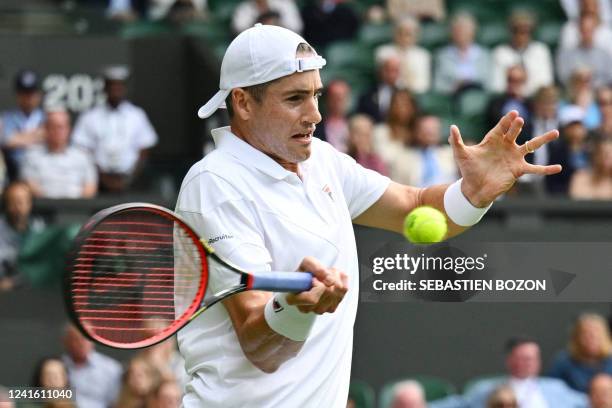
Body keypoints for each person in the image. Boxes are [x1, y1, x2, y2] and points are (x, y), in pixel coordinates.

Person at [177, 23, 561, 407]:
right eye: (294, 98)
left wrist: (472, 192)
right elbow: (260, 345)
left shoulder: (321, 160)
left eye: (316, 95)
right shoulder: (215, 184)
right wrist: (295, 308)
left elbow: (412, 206)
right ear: (243, 103)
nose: (314, 115)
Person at [432, 336, 588, 408]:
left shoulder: (555, 387)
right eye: (523, 358)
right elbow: (459, 404)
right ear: (509, 360)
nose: (528, 363)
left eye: (532, 358)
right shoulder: (487, 388)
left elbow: (588, 402)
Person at [72, 65, 158, 193]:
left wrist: (130, 177)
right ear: (105, 88)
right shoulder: (90, 116)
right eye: (112, 86)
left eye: (119, 86)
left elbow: (145, 148)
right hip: (98, 182)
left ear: (124, 88)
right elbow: (82, 149)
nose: (115, 90)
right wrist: (101, 177)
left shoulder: (137, 115)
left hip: (130, 181)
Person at [21, 109, 97, 199]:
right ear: (45, 129)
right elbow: (31, 186)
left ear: (69, 129)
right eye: (53, 127)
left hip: (77, 210)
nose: (57, 131)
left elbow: (90, 188)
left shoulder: (83, 156)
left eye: (61, 127)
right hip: (43, 209)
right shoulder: (31, 155)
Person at [490, 10, 553, 97]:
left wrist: (524, 90)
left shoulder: (540, 51)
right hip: (507, 99)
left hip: (534, 100)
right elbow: (496, 87)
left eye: (526, 30)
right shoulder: (500, 53)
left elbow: (545, 83)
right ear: (510, 31)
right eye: (517, 30)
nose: (522, 35)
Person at [61, 324, 122, 408]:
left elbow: (117, 402)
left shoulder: (111, 368)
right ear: (66, 341)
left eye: (86, 338)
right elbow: (40, 396)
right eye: (76, 339)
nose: (81, 343)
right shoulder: (55, 367)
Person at [548, 313, 612, 393]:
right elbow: (551, 391)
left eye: (596, 334)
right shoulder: (563, 362)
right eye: (585, 334)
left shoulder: (610, 361)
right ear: (576, 337)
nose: (591, 339)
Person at [1, 69, 45, 181]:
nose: (28, 97)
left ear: (39, 94)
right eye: (24, 93)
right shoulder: (7, 118)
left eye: (31, 93)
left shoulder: (48, 118)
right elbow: (5, 140)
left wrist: (18, 137)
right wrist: (37, 136)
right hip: (14, 171)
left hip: (42, 169)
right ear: (18, 94)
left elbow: (52, 138)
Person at [0, 181, 45, 291]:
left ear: (30, 204)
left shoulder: (40, 228)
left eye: (22, 202)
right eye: (13, 202)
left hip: (34, 291)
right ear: (6, 205)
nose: (18, 207)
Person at [433, 12, 491, 95]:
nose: (461, 34)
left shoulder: (484, 55)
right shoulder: (442, 55)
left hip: (479, 97)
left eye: (465, 30)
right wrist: (454, 87)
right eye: (458, 30)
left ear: (473, 32)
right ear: (452, 33)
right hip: (451, 98)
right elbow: (438, 86)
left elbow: (489, 85)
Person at [393, 114, 457, 188]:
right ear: (416, 132)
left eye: (434, 128)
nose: (430, 133)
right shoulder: (402, 158)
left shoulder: (452, 153)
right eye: (426, 129)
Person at [375, 17, 431, 94]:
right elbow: (384, 80)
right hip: (390, 94)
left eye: (408, 34)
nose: (404, 37)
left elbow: (423, 85)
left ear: (416, 36)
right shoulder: (383, 52)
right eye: (400, 32)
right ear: (394, 33)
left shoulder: (423, 55)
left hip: (415, 96)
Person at [557, 13, 612, 89]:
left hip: (599, 93)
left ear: (595, 30)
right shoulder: (566, 54)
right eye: (584, 29)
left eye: (589, 30)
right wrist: (578, 77)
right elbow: (563, 77)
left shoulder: (604, 54)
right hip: (573, 93)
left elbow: (609, 78)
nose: (586, 33)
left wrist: (591, 81)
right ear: (578, 29)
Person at [546, 105, 590, 195]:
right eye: (572, 126)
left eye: (579, 126)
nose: (576, 130)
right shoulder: (556, 153)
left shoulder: (591, 151)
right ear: (564, 129)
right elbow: (551, 183)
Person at [357, 55, 402, 123]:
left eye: (394, 70)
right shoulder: (367, 95)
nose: (390, 74)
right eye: (387, 70)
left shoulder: (403, 96)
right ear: (380, 71)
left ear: (399, 73)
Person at [313, 79, 351, 152]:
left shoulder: (355, 123)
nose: (339, 100)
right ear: (327, 99)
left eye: (342, 96)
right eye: (335, 96)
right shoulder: (315, 126)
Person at [232, 0, 302, 34]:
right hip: (256, 45)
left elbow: (296, 27)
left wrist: (276, 24)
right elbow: (239, 30)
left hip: (284, 41)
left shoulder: (284, 3)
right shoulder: (243, 9)